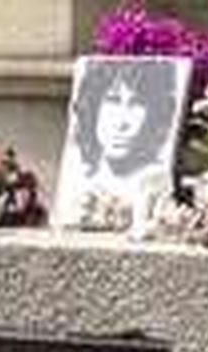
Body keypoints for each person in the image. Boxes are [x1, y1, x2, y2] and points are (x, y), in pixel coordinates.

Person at [56, 57, 188, 226]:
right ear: (93, 105)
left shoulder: (154, 182)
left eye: (136, 104)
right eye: (113, 100)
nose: (122, 122)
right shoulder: (75, 181)